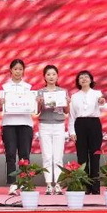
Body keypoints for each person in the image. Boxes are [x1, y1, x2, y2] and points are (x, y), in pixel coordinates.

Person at [0, 59, 34, 196]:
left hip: (25, 123)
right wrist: (1, 103)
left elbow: (34, 108)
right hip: (9, 123)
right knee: (10, 154)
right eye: (15, 69)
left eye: (20, 69)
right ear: (11, 71)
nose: (18, 72)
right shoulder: (4, 88)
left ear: (23, 71)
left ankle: (25, 182)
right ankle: (13, 184)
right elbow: (0, 109)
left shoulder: (29, 88)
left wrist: (36, 102)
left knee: (24, 154)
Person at [69, 69, 105, 194]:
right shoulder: (74, 96)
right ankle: (84, 187)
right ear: (78, 81)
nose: (84, 79)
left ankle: (95, 187)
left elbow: (101, 101)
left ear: (91, 80)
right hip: (80, 124)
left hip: (94, 124)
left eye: (86, 77)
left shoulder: (97, 93)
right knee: (82, 156)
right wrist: (72, 132)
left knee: (95, 155)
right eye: (81, 78)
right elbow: (72, 116)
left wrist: (101, 101)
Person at [36, 65, 69, 195]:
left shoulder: (62, 92)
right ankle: (49, 184)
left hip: (59, 125)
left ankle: (58, 184)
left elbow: (66, 111)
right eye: (48, 74)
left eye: (53, 74)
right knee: (47, 155)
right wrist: (39, 102)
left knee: (58, 156)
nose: (51, 77)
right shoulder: (40, 92)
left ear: (57, 76)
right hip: (44, 124)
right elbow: (37, 111)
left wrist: (67, 102)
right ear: (44, 77)